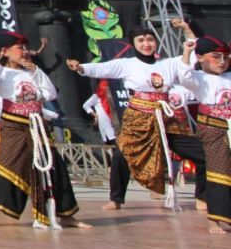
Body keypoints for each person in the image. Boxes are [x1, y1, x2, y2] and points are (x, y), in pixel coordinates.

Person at [67, 20, 207, 211]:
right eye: (141, 40)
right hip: (138, 115)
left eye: (150, 39)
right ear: (133, 43)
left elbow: (190, 57)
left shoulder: (169, 63)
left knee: (202, 153)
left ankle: (202, 197)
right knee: (121, 154)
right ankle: (115, 199)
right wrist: (81, 67)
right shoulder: (127, 64)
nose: (146, 44)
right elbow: (102, 68)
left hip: (165, 115)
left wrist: (186, 29)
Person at [0, 31, 90, 230]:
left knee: (53, 167)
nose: (25, 52)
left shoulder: (32, 72)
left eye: (25, 48)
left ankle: (66, 215)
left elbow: (50, 94)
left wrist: (37, 71)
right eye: (20, 48)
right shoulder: (1, 74)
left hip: (38, 127)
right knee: (6, 167)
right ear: (5, 51)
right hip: (13, 126)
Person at [176, 29, 231, 233]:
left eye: (225, 57)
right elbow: (184, 76)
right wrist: (187, 53)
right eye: (216, 57)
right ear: (201, 58)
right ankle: (214, 220)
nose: (222, 62)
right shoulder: (199, 78)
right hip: (214, 130)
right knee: (218, 173)